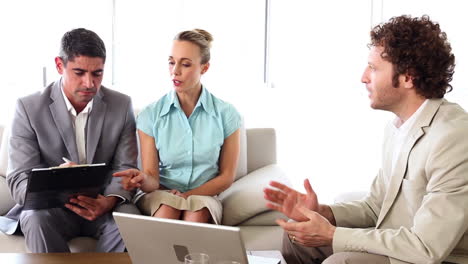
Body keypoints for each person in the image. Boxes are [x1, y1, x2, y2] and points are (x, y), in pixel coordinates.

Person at [264, 15, 468, 264]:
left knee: (340, 262)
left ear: (408, 77)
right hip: (397, 245)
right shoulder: (397, 128)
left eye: (373, 68)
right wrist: (323, 213)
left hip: (436, 257)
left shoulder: (454, 138)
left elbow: (427, 247)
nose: (363, 77)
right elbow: (375, 207)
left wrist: (332, 234)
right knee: (297, 241)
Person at [0, 28, 139, 253]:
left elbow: (126, 168)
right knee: (34, 218)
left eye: (97, 73)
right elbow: (18, 179)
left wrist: (109, 201)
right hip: (52, 207)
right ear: (59, 65)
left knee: (131, 221)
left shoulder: (121, 106)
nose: (89, 83)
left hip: (103, 205)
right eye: (79, 72)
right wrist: (54, 182)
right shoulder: (28, 108)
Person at [113, 29, 241, 224]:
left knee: (196, 214)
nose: (175, 71)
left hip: (204, 195)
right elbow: (152, 178)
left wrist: (186, 196)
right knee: (168, 211)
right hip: (161, 193)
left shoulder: (227, 114)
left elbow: (226, 177)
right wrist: (141, 179)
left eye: (186, 64)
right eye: (172, 62)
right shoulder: (150, 114)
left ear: (204, 68)